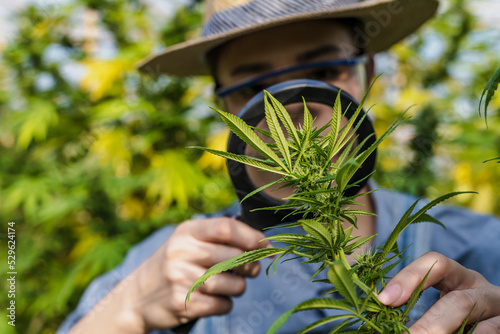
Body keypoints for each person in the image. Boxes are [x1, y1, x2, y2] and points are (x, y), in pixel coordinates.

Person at [58, 0, 500, 333]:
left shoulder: (481, 246)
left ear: (365, 71)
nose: (293, 106)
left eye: (324, 70)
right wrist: (126, 309)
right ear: (226, 107)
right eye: (258, 87)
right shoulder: (167, 262)